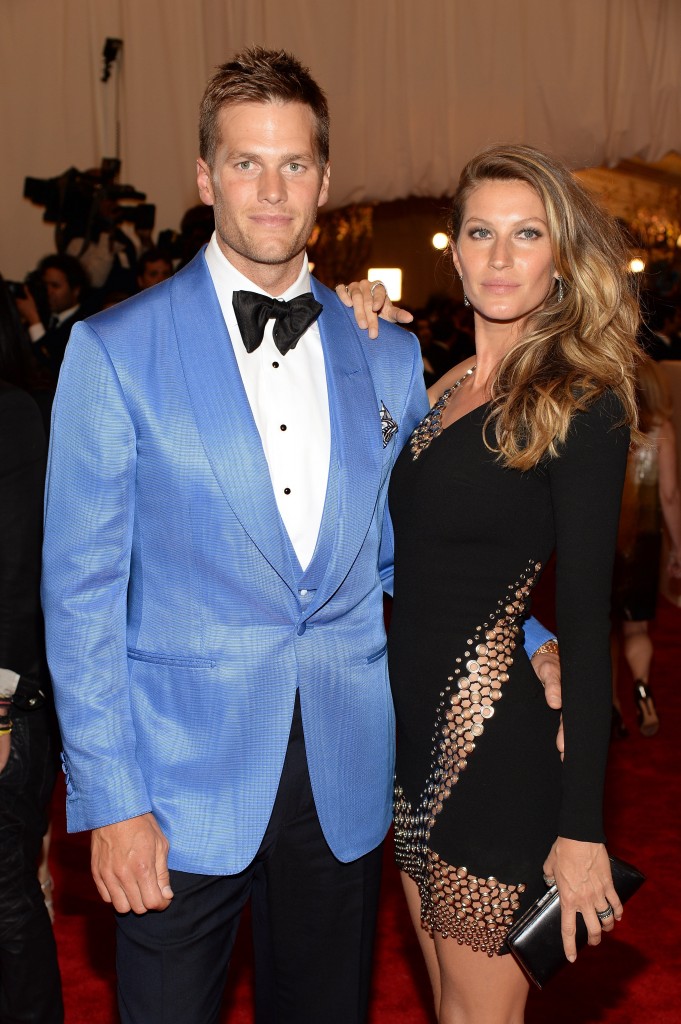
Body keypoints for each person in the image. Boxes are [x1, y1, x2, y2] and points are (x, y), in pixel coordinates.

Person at [42, 51, 558, 1024]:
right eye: (247, 163)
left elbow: (417, 551)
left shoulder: (388, 352)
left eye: (293, 165)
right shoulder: (115, 350)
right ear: (205, 177)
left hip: (345, 776)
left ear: (325, 180)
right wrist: (111, 800)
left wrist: (527, 638)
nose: (272, 190)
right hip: (176, 791)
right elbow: (79, 596)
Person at [341, 143, 640, 1024]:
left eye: (526, 234)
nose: (501, 257)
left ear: (560, 256)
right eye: (481, 233)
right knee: (449, 1007)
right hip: (409, 741)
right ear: (455, 250)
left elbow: (584, 620)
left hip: (495, 747)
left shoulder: (580, 401)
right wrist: (348, 314)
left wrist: (581, 831)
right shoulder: (448, 383)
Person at [0, 277, 63, 1023]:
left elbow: (17, 568)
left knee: (4, 895)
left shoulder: (14, 414)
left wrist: (0, 704)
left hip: (8, 700)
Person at [611, 356, 681, 736]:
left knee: (603, 629)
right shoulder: (660, 430)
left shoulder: (607, 424)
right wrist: (679, 549)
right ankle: (642, 689)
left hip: (605, 538)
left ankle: (611, 708)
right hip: (645, 541)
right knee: (637, 628)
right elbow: (669, 495)